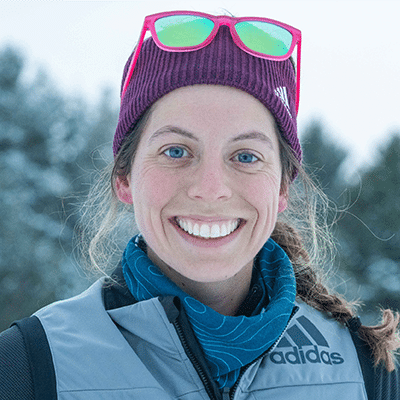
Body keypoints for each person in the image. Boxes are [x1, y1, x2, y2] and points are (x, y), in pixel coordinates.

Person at [0, 10, 399, 400]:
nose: (211, 189)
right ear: (124, 178)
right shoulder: (27, 366)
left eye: (245, 156)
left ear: (282, 188)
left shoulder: (368, 373)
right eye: (176, 151)